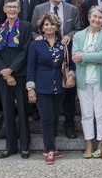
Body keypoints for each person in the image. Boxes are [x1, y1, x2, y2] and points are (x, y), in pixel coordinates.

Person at [31, 0, 83, 139]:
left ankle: (69, 125)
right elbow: (33, 30)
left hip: (65, 55)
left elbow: (78, 29)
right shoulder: (39, 9)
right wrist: (38, 37)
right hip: (46, 56)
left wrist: (69, 35)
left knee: (68, 93)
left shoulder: (72, 9)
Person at [26, 13, 76, 165]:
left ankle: (49, 146)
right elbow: (30, 68)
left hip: (59, 86)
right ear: (42, 28)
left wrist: (72, 76)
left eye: (52, 24)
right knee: (46, 118)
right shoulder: (35, 45)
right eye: (46, 25)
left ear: (57, 27)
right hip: (42, 87)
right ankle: (50, 150)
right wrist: (30, 88)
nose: (49, 27)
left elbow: (71, 64)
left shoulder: (64, 45)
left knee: (54, 118)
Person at [72, 6, 102, 158]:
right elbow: (75, 57)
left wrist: (84, 56)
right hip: (84, 80)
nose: (97, 20)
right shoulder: (78, 36)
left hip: (101, 80)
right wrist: (94, 57)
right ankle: (89, 144)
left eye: (100, 17)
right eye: (94, 16)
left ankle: (101, 144)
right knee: (86, 114)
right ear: (89, 17)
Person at [0, 0, 32, 159]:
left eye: (15, 7)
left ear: (19, 9)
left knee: (22, 111)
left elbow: (25, 50)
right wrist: (4, 72)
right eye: (9, 7)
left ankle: (25, 146)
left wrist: (12, 70)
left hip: (19, 74)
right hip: (3, 76)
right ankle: (10, 146)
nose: (12, 10)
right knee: (7, 111)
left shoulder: (25, 26)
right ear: (4, 9)